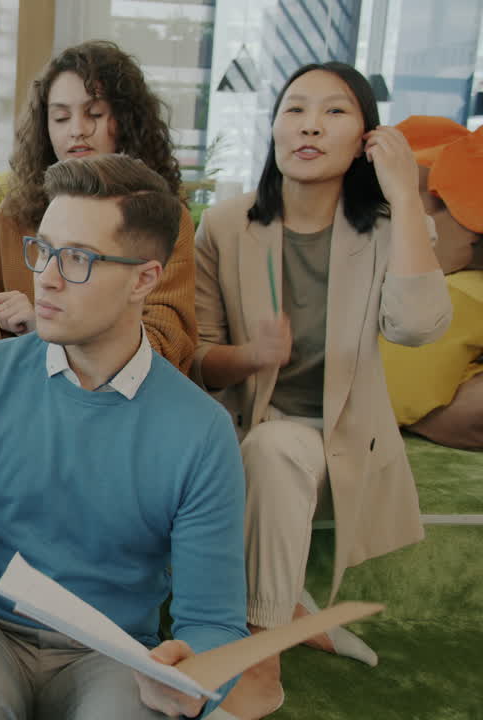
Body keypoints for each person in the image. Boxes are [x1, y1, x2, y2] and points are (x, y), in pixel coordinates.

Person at [0, 154, 248, 720]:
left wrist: (194, 675)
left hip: (115, 649)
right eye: (43, 249)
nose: (44, 277)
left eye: (76, 258)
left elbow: (213, 622)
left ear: (144, 278)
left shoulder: (202, 432)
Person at [190, 63, 452, 719]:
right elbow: (195, 358)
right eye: (294, 108)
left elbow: (418, 327)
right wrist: (252, 355)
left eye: (334, 111)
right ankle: (293, 609)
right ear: (275, 128)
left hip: (341, 442)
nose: (309, 123)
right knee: (268, 448)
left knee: (278, 451)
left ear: (367, 136)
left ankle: (258, 662)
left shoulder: (392, 227)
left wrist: (403, 190)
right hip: (239, 431)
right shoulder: (225, 225)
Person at [0, 40, 197, 373]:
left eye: (94, 114)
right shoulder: (15, 213)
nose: (77, 131)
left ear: (126, 120)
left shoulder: (162, 218)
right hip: (31, 393)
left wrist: (51, 328)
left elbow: (169, 344)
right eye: (60, 117)